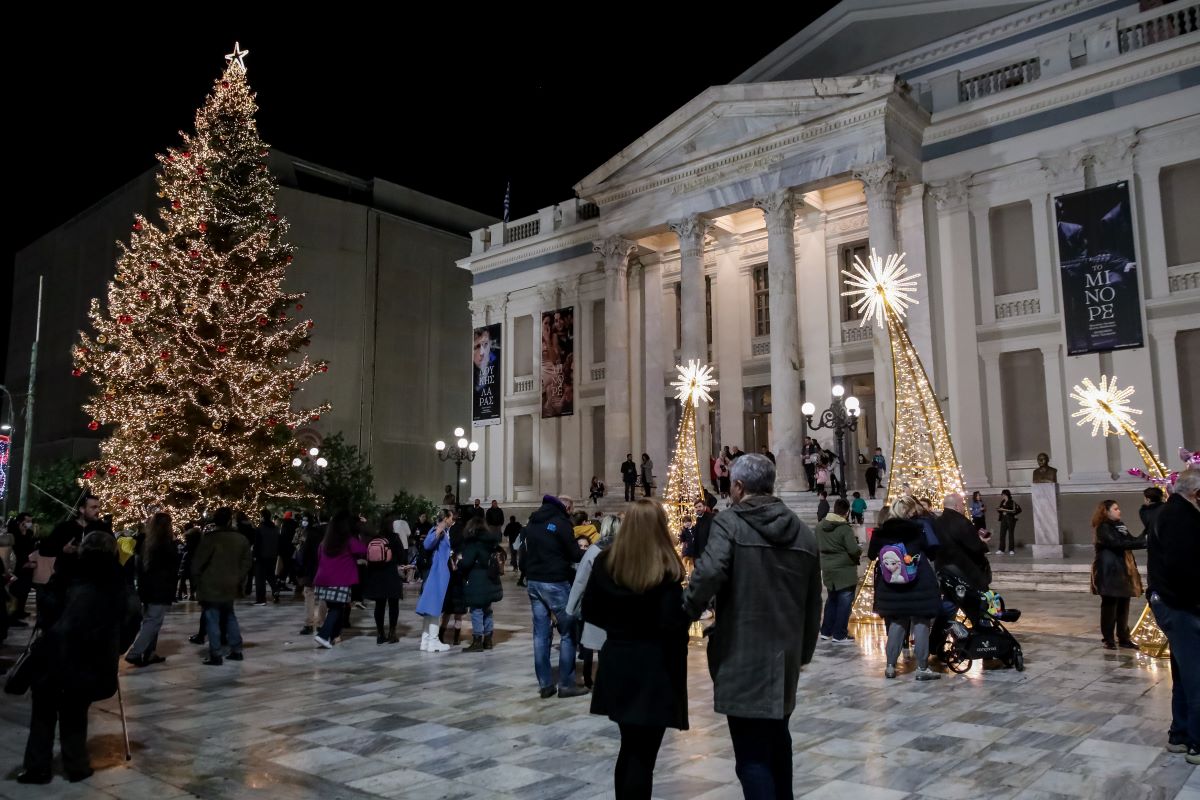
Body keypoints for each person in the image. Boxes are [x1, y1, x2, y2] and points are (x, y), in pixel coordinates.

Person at [683, 454, 821, 797]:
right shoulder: (803, 533)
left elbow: (709, 573)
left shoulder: (729, 523)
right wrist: (802, 653)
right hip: (785, 657)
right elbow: (813, 602)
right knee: (778, 744)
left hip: (742, 653)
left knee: (751, 756)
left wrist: (683, 612)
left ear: (739, 487)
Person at [582, 500, 689, 799]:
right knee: (644, 756)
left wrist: (618, 628)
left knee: (629, 747)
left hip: (618, 661)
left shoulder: (606, 562)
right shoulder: (666, 567)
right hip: (653, 669)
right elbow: (671, 623)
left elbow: (589, 610)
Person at [17, 531, 141, 785]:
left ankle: (37, 767)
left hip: (55, 650)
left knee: (43, 712)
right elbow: (132, 616)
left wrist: (49, 626)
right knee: (75, 710)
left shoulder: (68, 571)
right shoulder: (118, 578)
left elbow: (47, 605)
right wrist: (117, 646)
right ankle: (76, 765)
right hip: (91, 655)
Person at [1146, 469, 1200, 765]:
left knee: (1183, 674)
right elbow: (1185, 570)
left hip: (1171, 603)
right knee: (1196, 677)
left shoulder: (1170, 513)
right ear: (1196, 494)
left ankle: (1179, 735)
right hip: (1180, 606)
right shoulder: (1181, 519)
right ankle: (1197, 743)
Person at [868, 495, 942, 680]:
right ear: (910, 512)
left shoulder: (881, 532)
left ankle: (891, 666)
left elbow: (871, 555)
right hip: (919, 584)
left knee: (897, 622)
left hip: (891, 585)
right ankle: (922, 668)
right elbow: (933, 552)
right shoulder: (918, 529)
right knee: (921, 622)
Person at [523, 494, 587, 698]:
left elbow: (523, 553)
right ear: (566, 508)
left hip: (533, 582)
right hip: (555, 581)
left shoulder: (532, 521)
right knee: (568, 631)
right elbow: (574, 553)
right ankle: (566, 684)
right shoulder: (561, 523)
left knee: (540, 634)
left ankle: (545, 684)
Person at [192, 507, 251, 665]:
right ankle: (236, 650)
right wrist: (238, 577)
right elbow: (246, 562)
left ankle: (216, 653)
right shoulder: (241, 539)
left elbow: (198, 563)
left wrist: (197, 580)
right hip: (231, 584)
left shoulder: (210, 539)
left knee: (212, 618)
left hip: (211, 584)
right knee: (230, 615)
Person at [567, 514, 620, 689]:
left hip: (597, 606)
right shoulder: (627, 550)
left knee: (594, 645)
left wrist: (571, 607)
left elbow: (580, 580)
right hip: (620, 607)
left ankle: (593, 680)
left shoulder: (594, 550)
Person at [125, 512, 180, 667]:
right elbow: (172, 568)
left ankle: (149, 652)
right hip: (160, 589)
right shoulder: (166, 545)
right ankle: (135, 653)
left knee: (151, 620)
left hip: (147, 588)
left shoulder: (146, 543)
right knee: (153, 621)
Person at [1090, 499, 1146, 650]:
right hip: (1108, 572)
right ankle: (1108, 639)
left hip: (1122, 571)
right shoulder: (1103, 527)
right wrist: (1143, 543)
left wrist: (1147, 530)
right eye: (1115, 509)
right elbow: (1117, 544)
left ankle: (1124, 638)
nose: (1119, 511)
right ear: (1106, 512)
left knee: (1123, 605)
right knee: (1110, 606)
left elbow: (1131, 540)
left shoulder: (1120, 525)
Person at [311, 511, 368, 649]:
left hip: (323, 580)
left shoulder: (325, 542)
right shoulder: (348, 541)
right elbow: (364, 549)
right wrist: (362, 529)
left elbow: (319, 559)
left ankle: (334, 635)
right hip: (340, 580)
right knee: (336, 609)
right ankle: (323, 635)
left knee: (335, 608)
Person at [816, 497, 861, 644]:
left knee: (832, 599)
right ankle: (839, 634)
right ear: (847, 512)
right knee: (844, 602)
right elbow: (853, 549)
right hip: (844, 570)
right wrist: (859, 549)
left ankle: (826, 631)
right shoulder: (844, 528)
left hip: (827, 568)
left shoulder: (820, 526)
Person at [461, 514, 504, 652]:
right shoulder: (492, 542)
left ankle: (477, 641)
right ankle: (488, 640)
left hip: (477, 580)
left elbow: (467, 562)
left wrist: (460, 565)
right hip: (491, 579)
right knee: (487, 609)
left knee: (476, 610)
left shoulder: (473, 542)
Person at [415, 509, 454, 652]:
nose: (452, 520)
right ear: (446, 518)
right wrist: (439, 530)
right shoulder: (439, 529)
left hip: (436, 572)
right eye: (450, 517)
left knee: (430, 608)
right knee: (435, 608)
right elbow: (427, 544)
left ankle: (425, 641)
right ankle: (433, 641)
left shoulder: (441, 530)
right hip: (438, 572)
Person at [934, 494, 992, 590]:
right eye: (963, 504)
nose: (964, 507)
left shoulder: (937, 522)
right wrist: (983, 543)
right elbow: (975, 548)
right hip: (964, 570)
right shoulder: (962, 522)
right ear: (957, 506)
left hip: (945, 570)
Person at [364, 517, 405, 645]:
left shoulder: (373, 538)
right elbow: (402, 556)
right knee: (393, 604)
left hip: (376, 575)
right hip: (391, 574)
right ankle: (392, 633)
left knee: (379, 605)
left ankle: (380, 634)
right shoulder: (394, 537)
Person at [297, 515, 326, 636]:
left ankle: (309, 624)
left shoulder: (309, 534)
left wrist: (301, 568)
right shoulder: (326, 534)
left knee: (309, 594)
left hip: (310, 569)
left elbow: (303, 553)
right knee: (323, 596)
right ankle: (321, 623)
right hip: (324, 568)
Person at [252, 509, 281, 605]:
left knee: (260, 578)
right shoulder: (275, 528)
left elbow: (257, 544)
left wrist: (254, 555)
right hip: (272, 556)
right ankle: (275, 590)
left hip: (261, 556)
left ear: (262, 517)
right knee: (270, 575)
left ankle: (261, 599)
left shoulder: (260, 528)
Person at [996, 489, 1021, 555]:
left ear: (1006, 495)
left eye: (1003, 495)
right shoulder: (1002, 502)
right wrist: (999, 510)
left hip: (1010, 519)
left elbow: (1017, 510)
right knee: (1002, 534)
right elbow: (1000, 510)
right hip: (1003, 519)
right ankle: (1001, 549)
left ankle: (1011, 550)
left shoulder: (1012, 502)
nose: (1002, 496)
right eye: (1002, 495)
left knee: (1010, 534)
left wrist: (1006, 511)